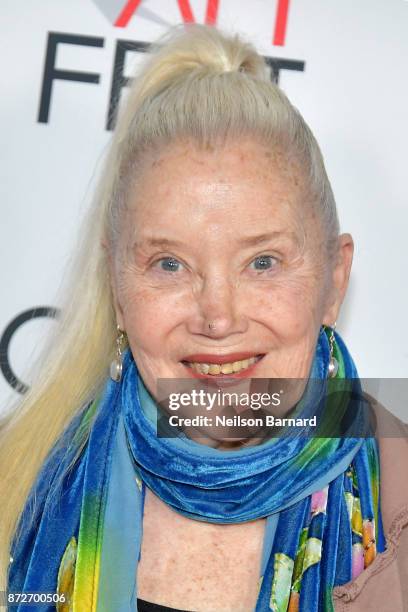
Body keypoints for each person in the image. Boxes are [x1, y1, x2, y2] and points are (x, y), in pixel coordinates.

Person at [1, 24, 407, 612]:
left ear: (333, 280)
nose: (217, 318)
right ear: (118, 286)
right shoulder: (18, 488)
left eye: (262, 262)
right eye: (170, 263)